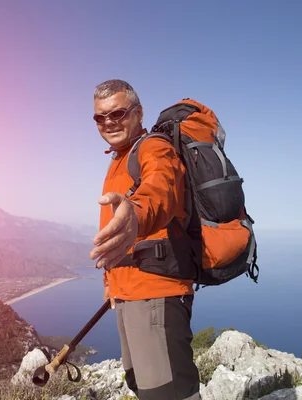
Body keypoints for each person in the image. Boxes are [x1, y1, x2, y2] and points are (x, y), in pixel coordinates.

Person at [89, 79, 201, 400]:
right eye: (100, 117)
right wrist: (112, 283)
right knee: (142, 386)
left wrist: (136, 215)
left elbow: (161, 189)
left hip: (156, 296)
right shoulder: (119, 159)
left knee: (167, 393)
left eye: (118, 113)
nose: (109, 123)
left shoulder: (154, 148)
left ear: (138, 113)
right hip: (128, 295)